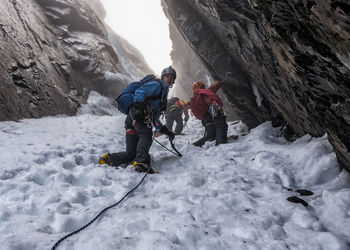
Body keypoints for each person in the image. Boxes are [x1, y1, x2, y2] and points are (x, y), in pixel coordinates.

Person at [99, 66, 177, 173]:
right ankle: (142, 162)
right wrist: (139, 108)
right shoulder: (157, 85)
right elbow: (140, 91)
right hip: (139, 117)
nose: (169, 79)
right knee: (146, 135)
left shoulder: (163, 95)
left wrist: (165, 131)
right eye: (167, 76)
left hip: (131, 120)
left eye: (172, 78)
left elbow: (154, 118)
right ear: (162, 77)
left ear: (173, 81)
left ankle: (109, 159)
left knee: (131, 154)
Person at [190, 78, 228, 146]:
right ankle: (220, 142)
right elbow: (214, 86)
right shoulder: (205, 91)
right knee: (221, 125)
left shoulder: (196, 96)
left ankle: (196, 144)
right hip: (214, 108)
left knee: (211, 134)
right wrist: (219, 81)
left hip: (205, 116)